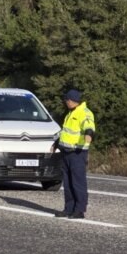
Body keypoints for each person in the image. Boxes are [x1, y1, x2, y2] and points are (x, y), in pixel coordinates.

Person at [51, 89, 95, 219]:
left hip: (77, 153)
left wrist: (89, 134)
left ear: (71, 100)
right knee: (68, 183)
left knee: (78, 182)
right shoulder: (71, 113)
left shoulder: (84, 112)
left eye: (67, 100)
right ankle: (68, 208)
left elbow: (89, 126)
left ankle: (79, 210)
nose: (65, 102)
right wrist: (56, 144)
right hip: (66, 152)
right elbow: (66, 132)